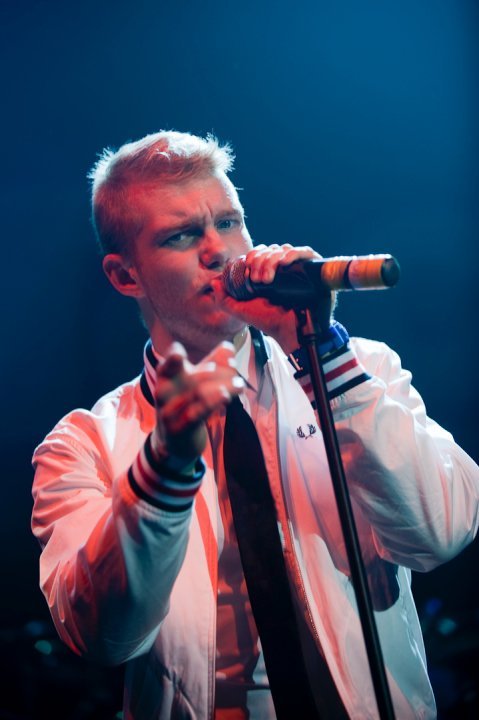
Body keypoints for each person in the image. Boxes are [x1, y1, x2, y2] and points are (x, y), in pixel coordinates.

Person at [32, 130, 479, 720]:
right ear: (124, 275)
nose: (219, 251)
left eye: (229, 222)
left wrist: (322, 359)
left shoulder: (360, 369)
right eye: (181, 235)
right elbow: (103, 636)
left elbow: (442, 532)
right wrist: (163, 470)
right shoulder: (84, 444)